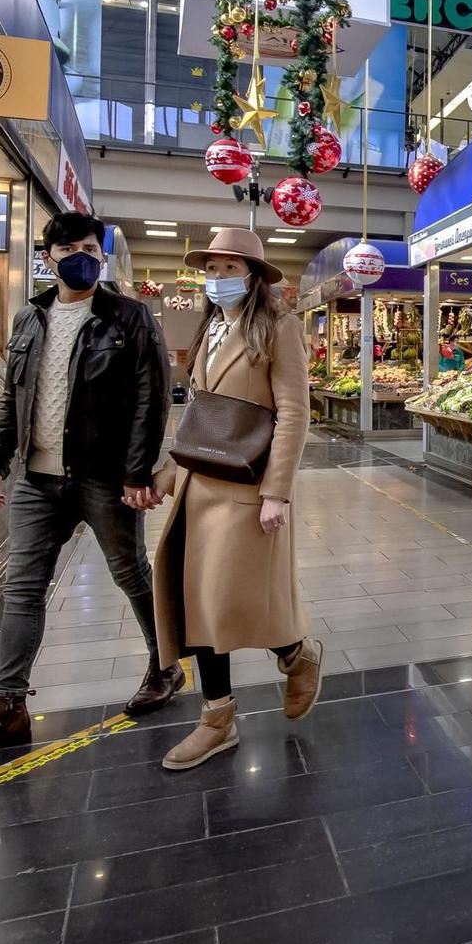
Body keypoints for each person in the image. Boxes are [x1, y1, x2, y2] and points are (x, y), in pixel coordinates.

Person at [0, 213, 177, 758]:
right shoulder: (30, 320)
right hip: (36, 479)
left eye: (91, 247)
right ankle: (6, 705)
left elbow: (150, 401)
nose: (82, 255)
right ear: (48, 257)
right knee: (22, 588)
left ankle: (166, 667)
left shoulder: (129, 318)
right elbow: (10, 398)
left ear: (101, 256)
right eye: (70, 247)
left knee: (130, 573)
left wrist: (137, 472)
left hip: (104, 477)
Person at [153, 227, 318, 770]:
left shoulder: (279, 329)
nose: (217, 278)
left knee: (230, 601)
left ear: (252, 276)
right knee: (198, 605)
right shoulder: (210, 330)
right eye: (211, 268)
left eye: (229, 268)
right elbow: (203, 415)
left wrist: (278, 492)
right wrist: (168, 474)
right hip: (198, 488)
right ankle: (217, 718)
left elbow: (294, 412)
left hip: (246, 491)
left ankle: (295, 655)